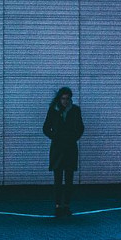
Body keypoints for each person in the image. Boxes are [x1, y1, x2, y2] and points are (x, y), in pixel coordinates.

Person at [43, 86, 84, 217]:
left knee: (69, 179)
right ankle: (58, 205)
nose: (65, 101)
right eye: (63, 98)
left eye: (67, 99)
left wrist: (73, 137)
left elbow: (81, 127)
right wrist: (55, 136)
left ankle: (65, 205)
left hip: (69, 148)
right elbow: (45, 128)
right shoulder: (53, 110)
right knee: (58, 179)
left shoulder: (75, 110)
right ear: (59, 99)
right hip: (58, 148)